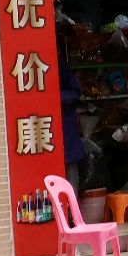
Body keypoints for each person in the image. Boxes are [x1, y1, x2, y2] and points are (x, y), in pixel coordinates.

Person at [56, 42, 87, 193]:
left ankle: (72, 203)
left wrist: (56, 97)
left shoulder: (62, 67)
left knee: (70, 167)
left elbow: (75, 92)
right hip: (47, 126)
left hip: (65, 125)